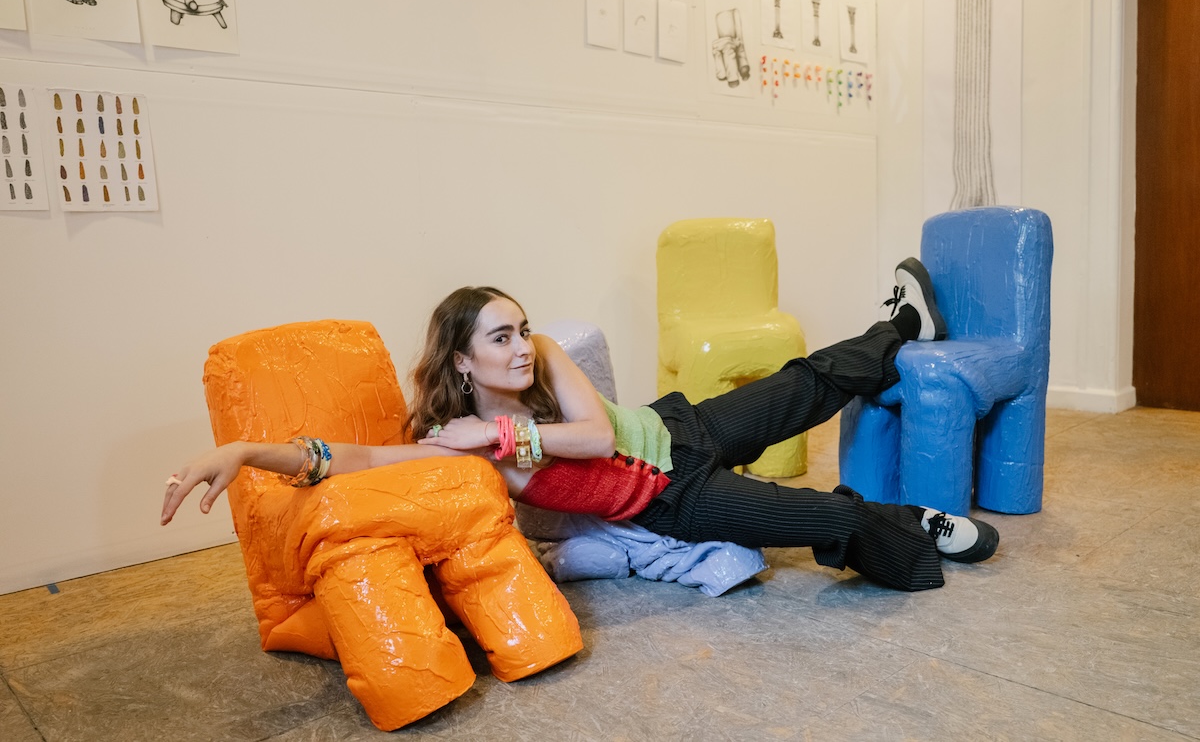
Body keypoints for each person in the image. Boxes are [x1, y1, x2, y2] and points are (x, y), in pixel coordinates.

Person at [162, 258, 998, 592]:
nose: (521, 346)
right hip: (669, 504)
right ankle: (909, 529)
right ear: (462, 361)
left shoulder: (541, 364)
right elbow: (350, 457)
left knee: (804, 381)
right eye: (500, 337)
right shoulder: (451, 444)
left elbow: (597, 436)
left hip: (679, 430)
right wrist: (243, 449)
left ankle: (898, 330)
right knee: (827, 518)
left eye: (520, 327)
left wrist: (499, 437)